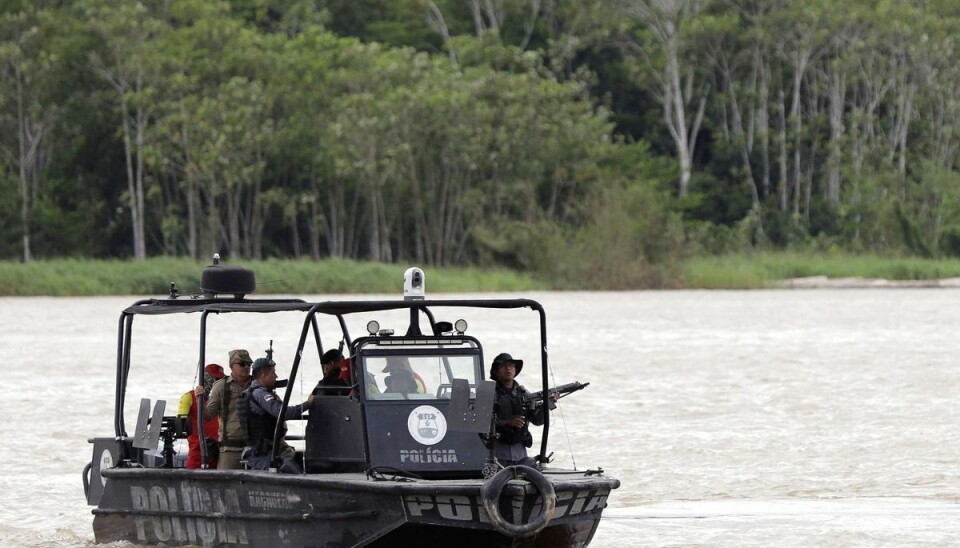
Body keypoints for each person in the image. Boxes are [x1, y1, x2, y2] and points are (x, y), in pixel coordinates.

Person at [243, 357, 315, 471]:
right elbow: (283, 413)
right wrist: (308, 404)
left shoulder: (262, 392)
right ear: (263, 375)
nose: (276, 376)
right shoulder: (260, 394)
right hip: (263, 455)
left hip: (271, 450)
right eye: (273, 373)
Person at [196, 349, 253, 470]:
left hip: (255, 448)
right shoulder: (221, 386)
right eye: (242, 364)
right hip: (230, 450)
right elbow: (208, 415)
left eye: (249, 364)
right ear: (232, 366)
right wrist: (199, 400)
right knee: (225, 485)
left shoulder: (257, 385)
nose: (246, 367)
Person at [489, 352, 548, 468]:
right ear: (496, 371)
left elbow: (537, 421)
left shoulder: (524, 393)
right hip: (497, 454)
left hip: (520, 454)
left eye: (511, 365)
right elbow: (481, 423)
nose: (508, 368)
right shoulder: (489, 393)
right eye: (503, 366)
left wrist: (546, 405)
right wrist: (507, 422)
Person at [178, 363, 224, 469]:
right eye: (215, 379)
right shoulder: (188, 397)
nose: (218, 383)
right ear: (206, 378)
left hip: (219, 450)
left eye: (220, 380)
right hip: (197, 451)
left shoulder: (221, 399)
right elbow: (181, 424)